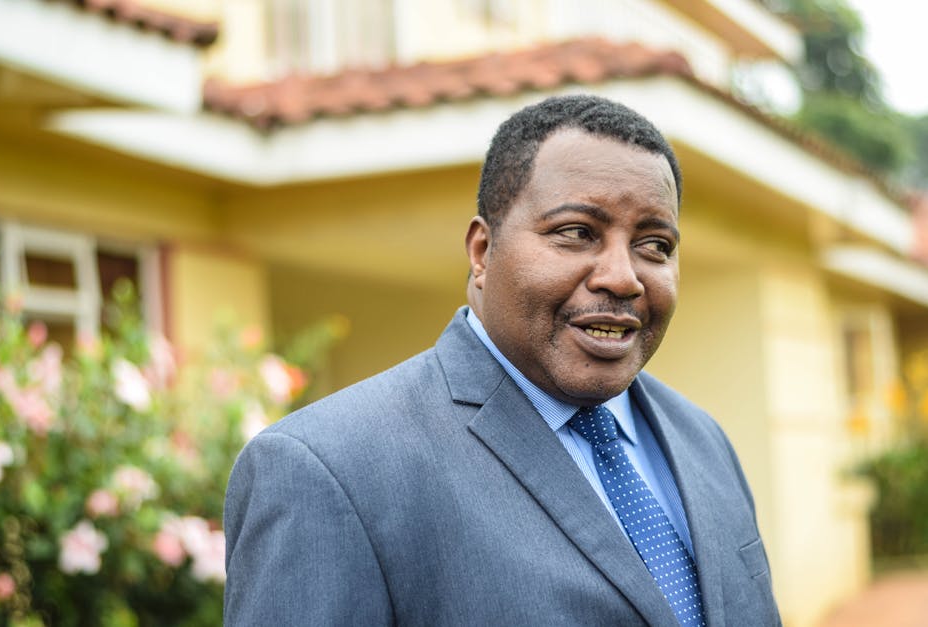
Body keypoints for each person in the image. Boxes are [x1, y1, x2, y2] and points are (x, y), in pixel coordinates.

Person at [224, 94, 780, 625]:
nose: (622, 277)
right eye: (576, 233)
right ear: (482, 252)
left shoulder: (702, 439)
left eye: (655, 244)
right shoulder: (328, 469)